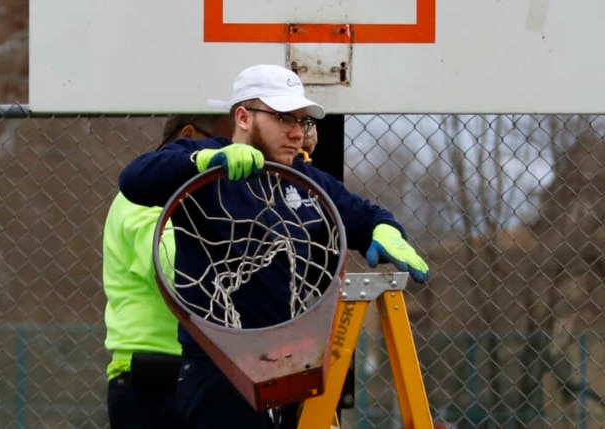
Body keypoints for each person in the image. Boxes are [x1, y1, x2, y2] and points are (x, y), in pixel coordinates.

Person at [118, 64, 429, 429]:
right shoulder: (210, 166)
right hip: (218, 369)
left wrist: (385, 229)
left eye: (303, 122)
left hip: (290, 369)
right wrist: (202, 161)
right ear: (244, 117)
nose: (297, 133)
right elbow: (135, 179)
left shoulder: (304, 180)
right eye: (284, 119)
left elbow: (363, 215)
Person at [102, 114, 233, 429]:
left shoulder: (202, 200)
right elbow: (172, 267)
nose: (228, 155)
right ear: (187, 137)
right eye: (221, 145)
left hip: (195, 372)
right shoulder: (145, 195)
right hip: (154, 378)